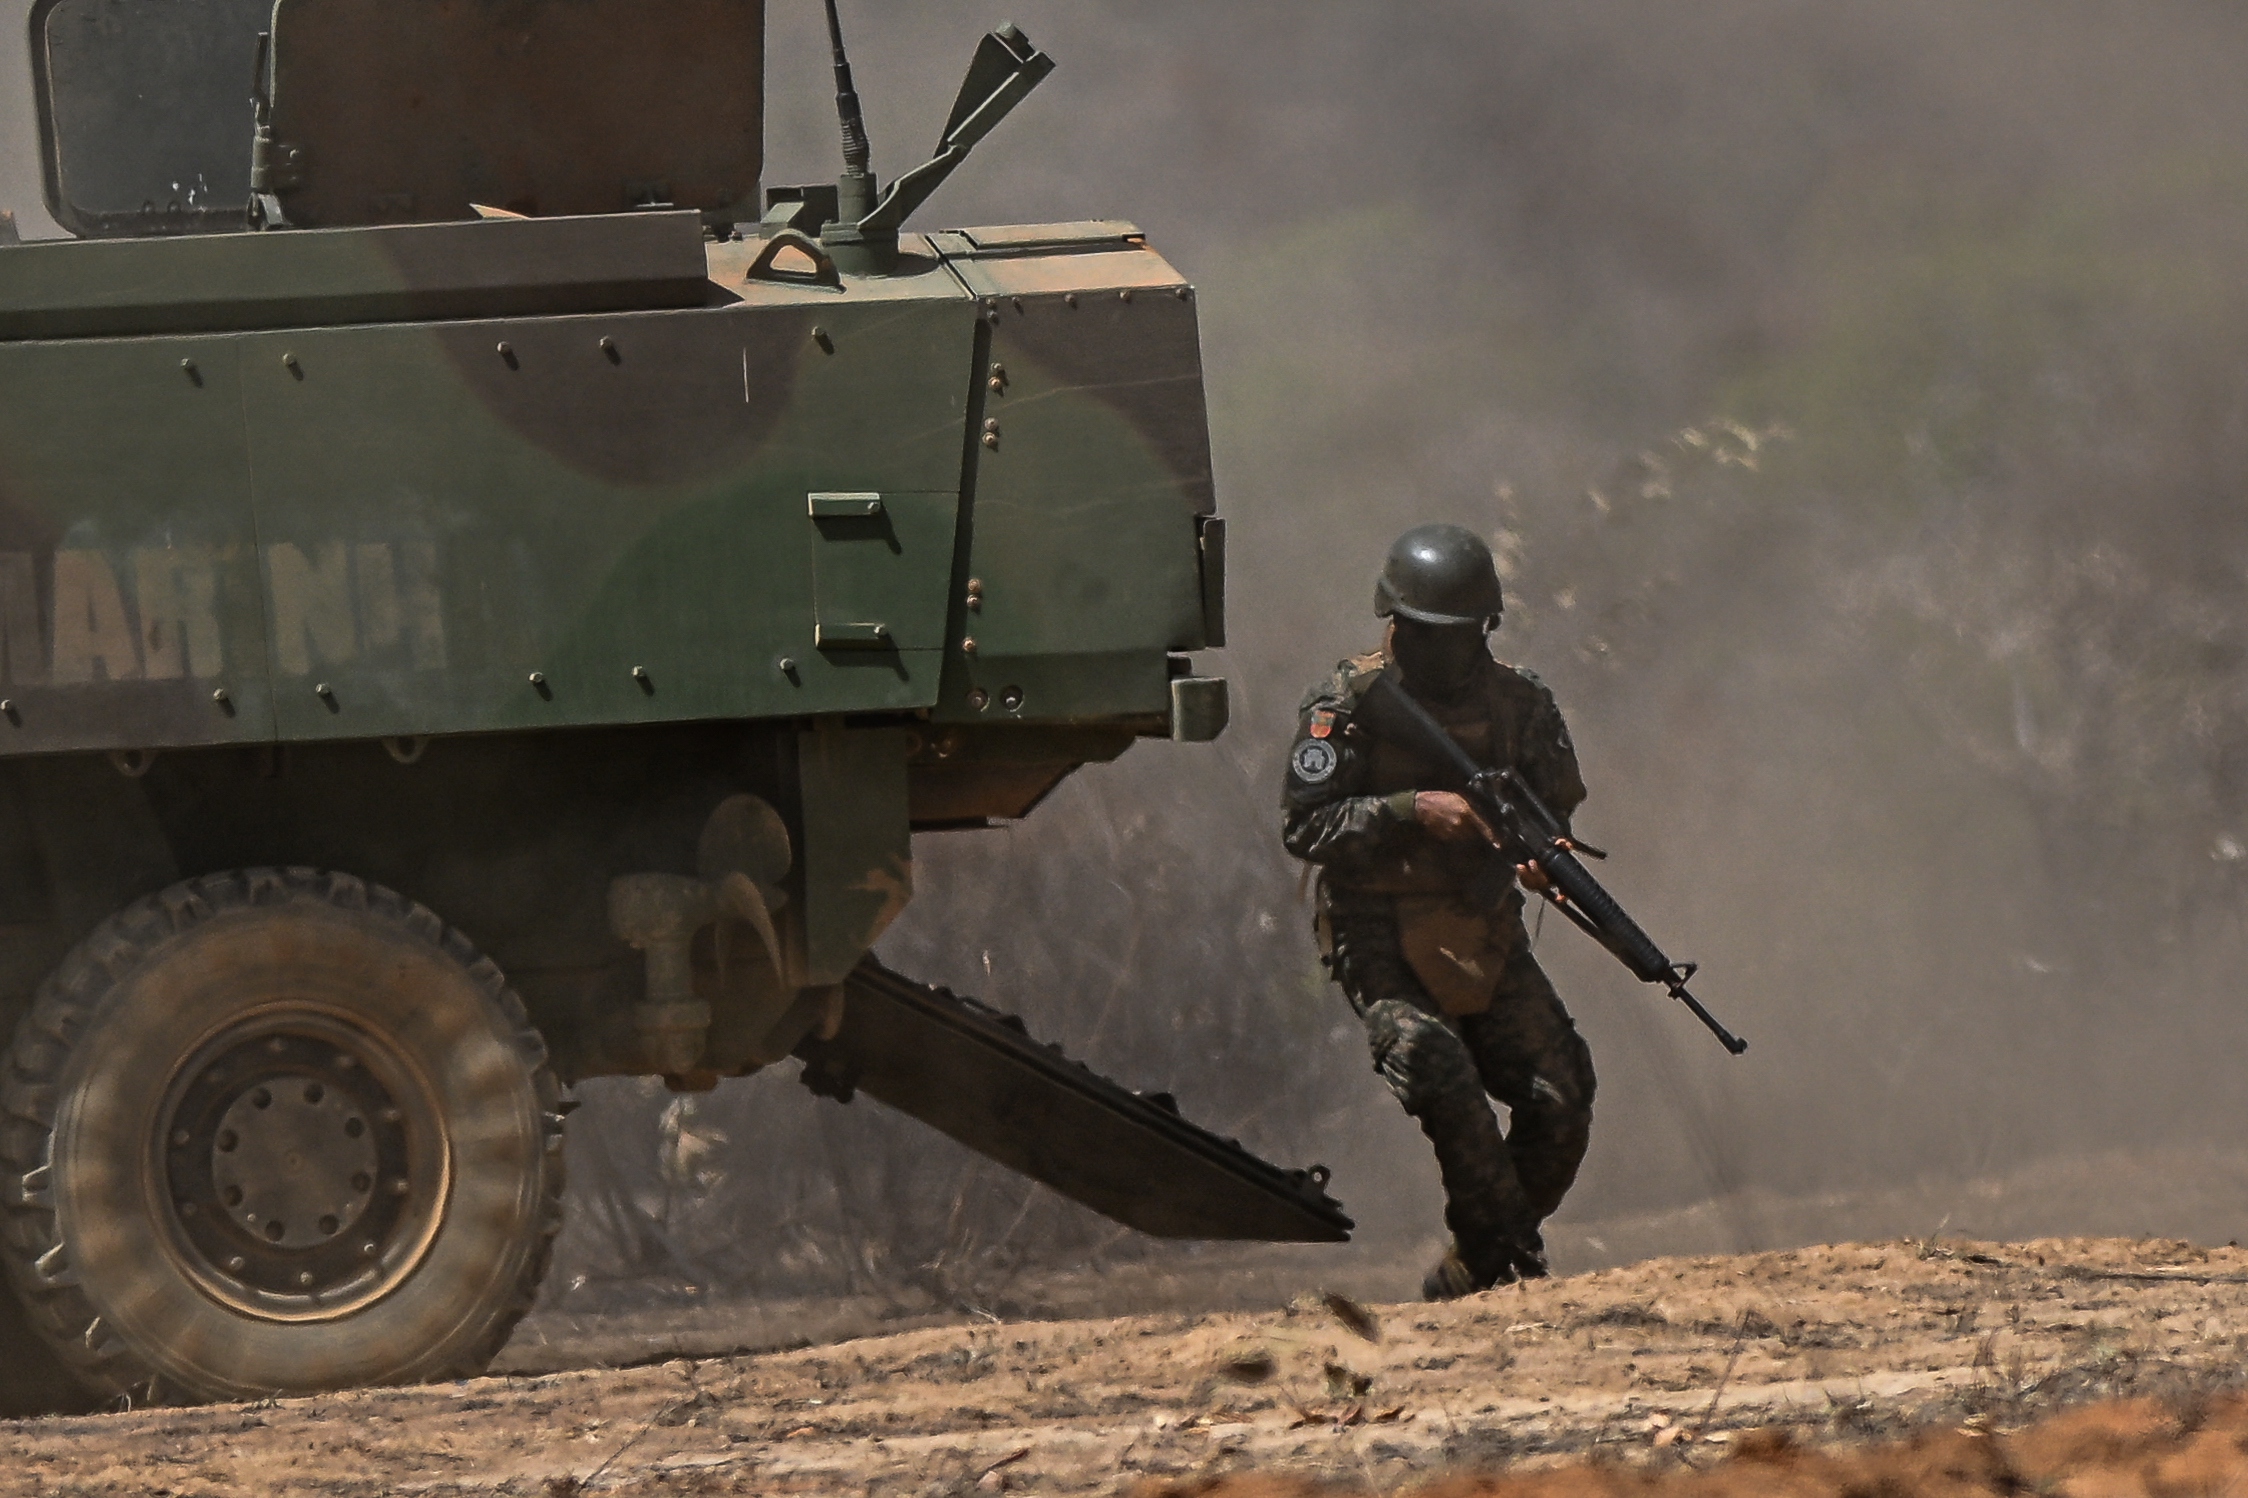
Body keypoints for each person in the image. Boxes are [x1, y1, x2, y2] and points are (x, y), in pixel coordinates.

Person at [1282, 523, 1597, 1299]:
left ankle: (1476, 1263)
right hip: (1375, 928)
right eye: (1427, 635)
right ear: (1394, 622)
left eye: (1461, 636)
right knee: (1439, 1072)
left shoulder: (1519, 703)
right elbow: (1306, 824)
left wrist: (1535, 853)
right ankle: (1513, 1259)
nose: (1446, 652)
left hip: (1479, 924)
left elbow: (1554, 805)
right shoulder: (1347, 705)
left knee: (1561, 1097)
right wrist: (1409, 809)